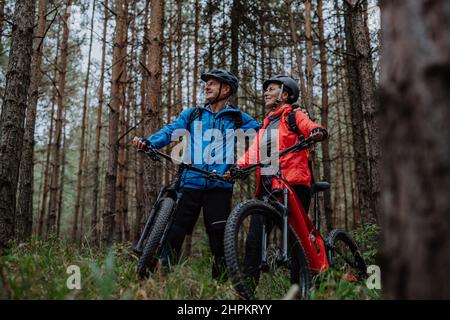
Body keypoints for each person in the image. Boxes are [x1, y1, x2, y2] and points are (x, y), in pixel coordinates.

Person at [132, 69, 261, 280]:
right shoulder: (193, 114)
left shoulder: (237, 117)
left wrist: (242, 164)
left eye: (212, 83)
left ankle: (218, 286)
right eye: (206, 83)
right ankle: (157, 282)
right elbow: (171, 131)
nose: (207, 87)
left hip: (220, 185)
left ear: (226, 89)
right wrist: (149, 142)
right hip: (190, 182)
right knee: (174, 234)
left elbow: (264, 133)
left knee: (218, 239)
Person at [227, 75, 327, 211]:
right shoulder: (264, 126)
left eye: (271, 89)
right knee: (256, 231)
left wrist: (317, 131)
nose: (266, 93)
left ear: (284, 95)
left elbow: (308, 125)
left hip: (293, 184)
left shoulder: (294, 115)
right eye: (266, 90)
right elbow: (252, 153)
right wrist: (237, 167)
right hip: (267, 186)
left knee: (293, 231)